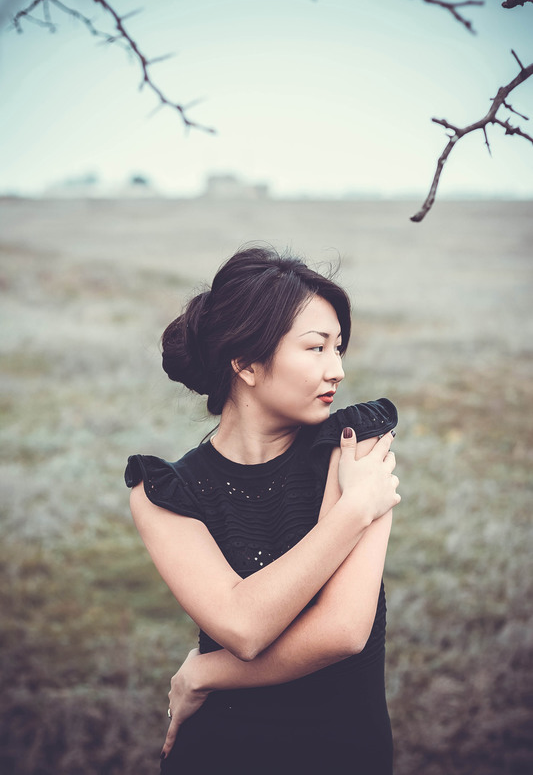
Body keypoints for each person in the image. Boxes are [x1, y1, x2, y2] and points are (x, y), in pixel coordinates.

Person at [125, 245, 401, 775]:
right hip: (219, 753)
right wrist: (352, 512)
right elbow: (243, 626)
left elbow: (343, 631)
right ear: (246, 363)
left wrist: (204, 673)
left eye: (339, 347)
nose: (337, 369)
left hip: (342, 754)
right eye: (316, 348)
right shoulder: (165, 490)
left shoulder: (353, 443)